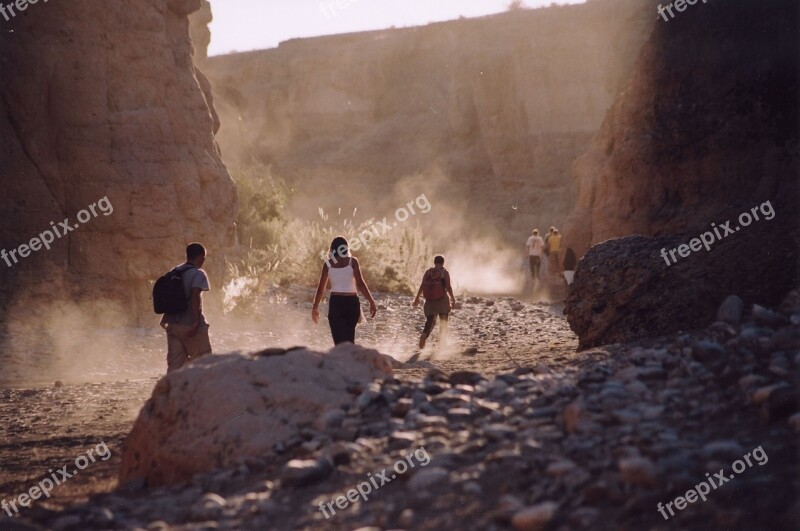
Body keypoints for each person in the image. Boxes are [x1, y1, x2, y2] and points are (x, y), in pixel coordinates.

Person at [312, 236, 377, 345]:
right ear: (346, 248)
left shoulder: (328, 264)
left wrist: (315, 307)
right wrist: (371, 301)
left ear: (332, 249)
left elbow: (320, 289)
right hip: (352, 302)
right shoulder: (353, 261)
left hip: (336, 303)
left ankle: (341, 359)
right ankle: (350, 360)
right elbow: (360, 284)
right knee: (349, 339)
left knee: (338, 341)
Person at [160, 242, 212, 372]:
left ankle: (172, 391)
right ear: (201, 257)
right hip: (189, 325)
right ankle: (201, 391)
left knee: (175, 366)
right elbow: (195, 297)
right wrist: (196, 322)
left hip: (172, 324)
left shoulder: (174, 271)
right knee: (203, 363)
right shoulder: (198, 274)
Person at [413, 255, 456, 350]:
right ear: (443, 263)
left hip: (429, 301)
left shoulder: (428, 272)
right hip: (442, 300)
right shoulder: (444, 273)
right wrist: (453, 298)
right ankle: (442, 344)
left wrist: (417, 298)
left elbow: (422, 285)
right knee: (443, 322)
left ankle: (424, 334)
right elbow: (448, 287)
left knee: (430, 321)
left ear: (434, 262)